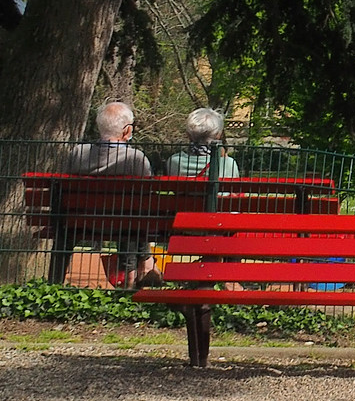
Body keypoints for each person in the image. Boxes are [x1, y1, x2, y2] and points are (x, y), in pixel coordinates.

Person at [62, 101, 158, 288]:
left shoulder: (78, 153)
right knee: (132, 215)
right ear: (126, 131)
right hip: (126, 222)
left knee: (130, 215)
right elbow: (148, 196)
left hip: (81, 220)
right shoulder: (135, 158)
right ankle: (141, 268)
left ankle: (55, 278)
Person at [166, 108, 240, 177]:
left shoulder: (174, 161)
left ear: (188, 135)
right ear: (218, 135)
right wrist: (224, 156)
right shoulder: (229, 164)